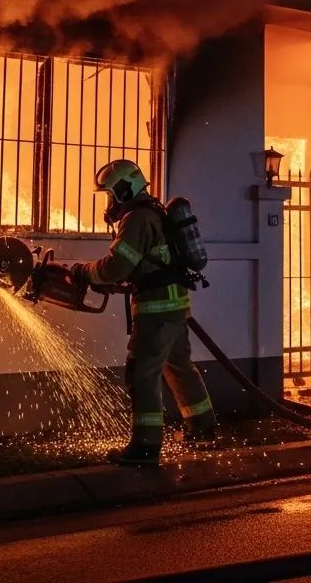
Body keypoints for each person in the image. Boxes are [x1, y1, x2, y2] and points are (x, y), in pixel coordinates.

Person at [73, 159, 216, 466]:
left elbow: (116, 266)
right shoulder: (153, 211)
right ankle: (203, 428)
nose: (109, 202)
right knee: (178, 366)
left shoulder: (137, 218)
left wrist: (86, 272)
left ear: (125, 190)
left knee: (142, 373)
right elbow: (145, 266)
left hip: (156, 311)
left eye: (110, 194)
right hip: (174, 305)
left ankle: (145, 446)